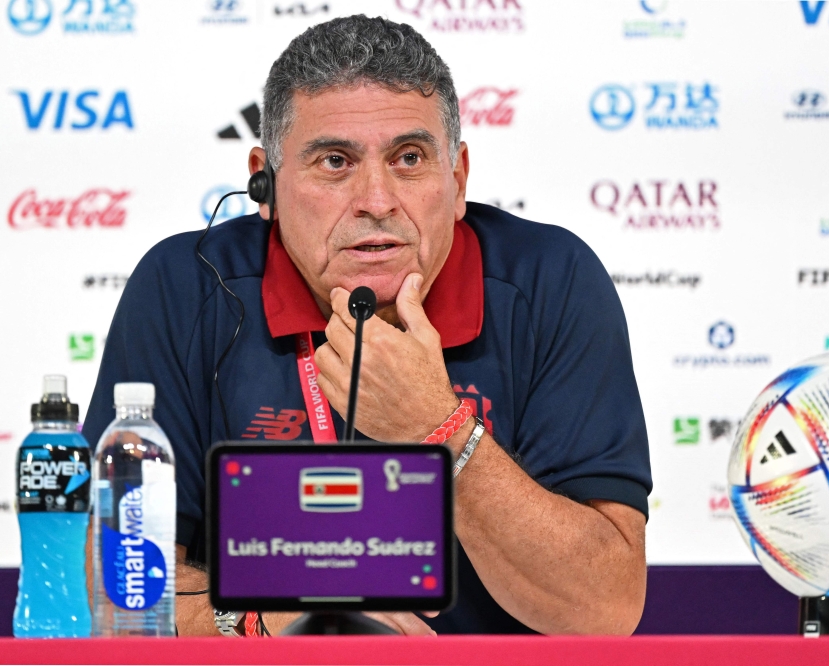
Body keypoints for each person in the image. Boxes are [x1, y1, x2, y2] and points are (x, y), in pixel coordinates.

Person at [83, 15, 652, 636]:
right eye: (335, 161)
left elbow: (604, 610)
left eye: (409, 158)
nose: (376, 198)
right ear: (264, 183)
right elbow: (114, 599)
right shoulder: (186, 286)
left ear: (457, 179)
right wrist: (260, 620)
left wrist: (441, 429)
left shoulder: (550, 280)